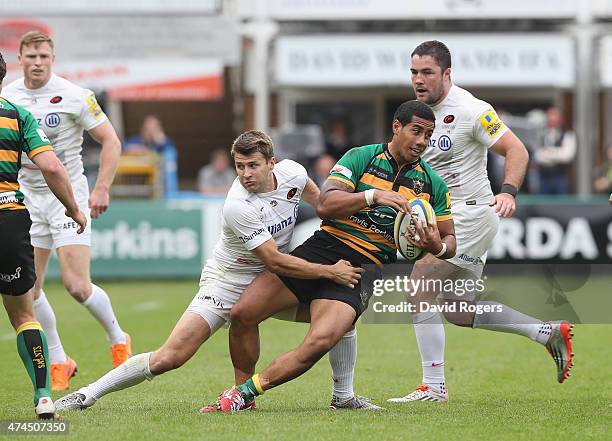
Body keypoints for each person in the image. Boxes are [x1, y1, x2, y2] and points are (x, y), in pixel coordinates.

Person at [53, 130, 364, 413]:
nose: (245, 174)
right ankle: (86, 395)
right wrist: (329, 271)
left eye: (253, 165)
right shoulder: (237, 205)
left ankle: (342, 396)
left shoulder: (294, 173)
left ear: (273, 162)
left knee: (339, 315)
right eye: (240, 166)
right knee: (170, 357)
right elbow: (275, 260)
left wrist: (364, 220)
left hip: (269, 283)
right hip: (228, 282)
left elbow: (323, 207)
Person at [210, 100, 457, 412]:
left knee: (320, 340)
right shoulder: (361, 157)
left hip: (364, 266)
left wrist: (436, 246)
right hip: (323, 247)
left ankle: (245, 393)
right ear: (397, 127)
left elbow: (451, 242)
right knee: (242, 314)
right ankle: (242, 393)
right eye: (416, 131)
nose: (422, 141)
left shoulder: (432, 184)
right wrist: (372, 196)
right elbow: (325, 205)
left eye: (428, 135)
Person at [388, 40, 573, 404]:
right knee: (459, 310)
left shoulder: (472, 110)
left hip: (468, 213)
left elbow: (517, 150)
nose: (418, 80)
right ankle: (546, 332)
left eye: (427, 72)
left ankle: (434, 387)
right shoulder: (416, 114)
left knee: (418, 286)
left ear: (447, 73)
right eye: (413, 72)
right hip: (444, 216)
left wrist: (508, 191)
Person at [2, 31, 129, 392]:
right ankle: (59, 359)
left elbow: (111, 141)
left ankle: (118, 338)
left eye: (43, 56)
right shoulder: (7, 95)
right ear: (20, 59)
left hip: (67, 194)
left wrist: (102, 186)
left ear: (52, 58)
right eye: (30, 56)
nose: (37, 62)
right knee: (31, 289)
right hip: (24, 198)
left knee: (75, 285)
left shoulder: (75, 96)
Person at [0, 51, 87, 418]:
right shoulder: (16, 114)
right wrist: (72, 207)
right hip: (9, 215)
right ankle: (43, 396)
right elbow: (51, 165)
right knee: (23, 314)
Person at [534, 106, 576, 194]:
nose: (552, 118)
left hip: (560, 177)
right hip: (543, 177)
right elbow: (537, 156)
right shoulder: (540, 134)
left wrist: (547, 152)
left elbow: (567, 156)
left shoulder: (568, 134)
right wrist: (557, 152)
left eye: (555, 115)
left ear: (560, 118)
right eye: (550, 115)